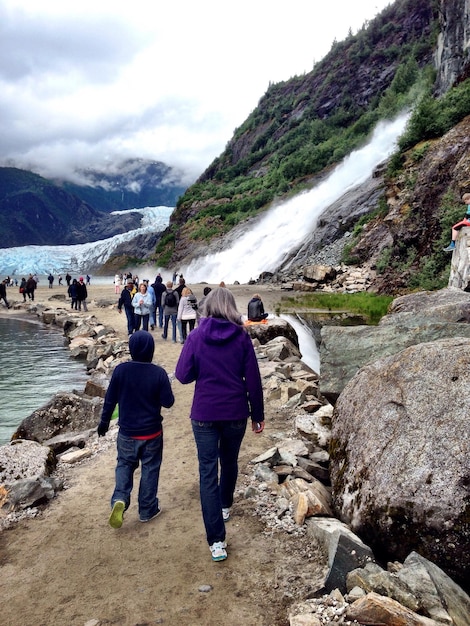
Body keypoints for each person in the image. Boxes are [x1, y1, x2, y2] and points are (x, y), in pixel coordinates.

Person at [175, 287, 265, 562]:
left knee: (207, 472)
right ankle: (225, 504)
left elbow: (182, 375)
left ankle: (216, 541)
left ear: (207, 307)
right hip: (235, 412)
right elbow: (253, 379)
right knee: (230, 461)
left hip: (203, 413)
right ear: (231, 307)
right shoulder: (241, 337)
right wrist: (258, 415)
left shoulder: (196, 335)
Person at [97, 330, 175, 528]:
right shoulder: (158, 373)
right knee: (150, 468)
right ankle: (147, 509)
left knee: (124, 464)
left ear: (131, 349)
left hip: (127, 433)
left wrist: (104, 423)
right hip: (152, 433)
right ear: (151, 349)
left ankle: (119, 499)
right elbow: (168, 402)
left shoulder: (121, 371)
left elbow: (110, 399)